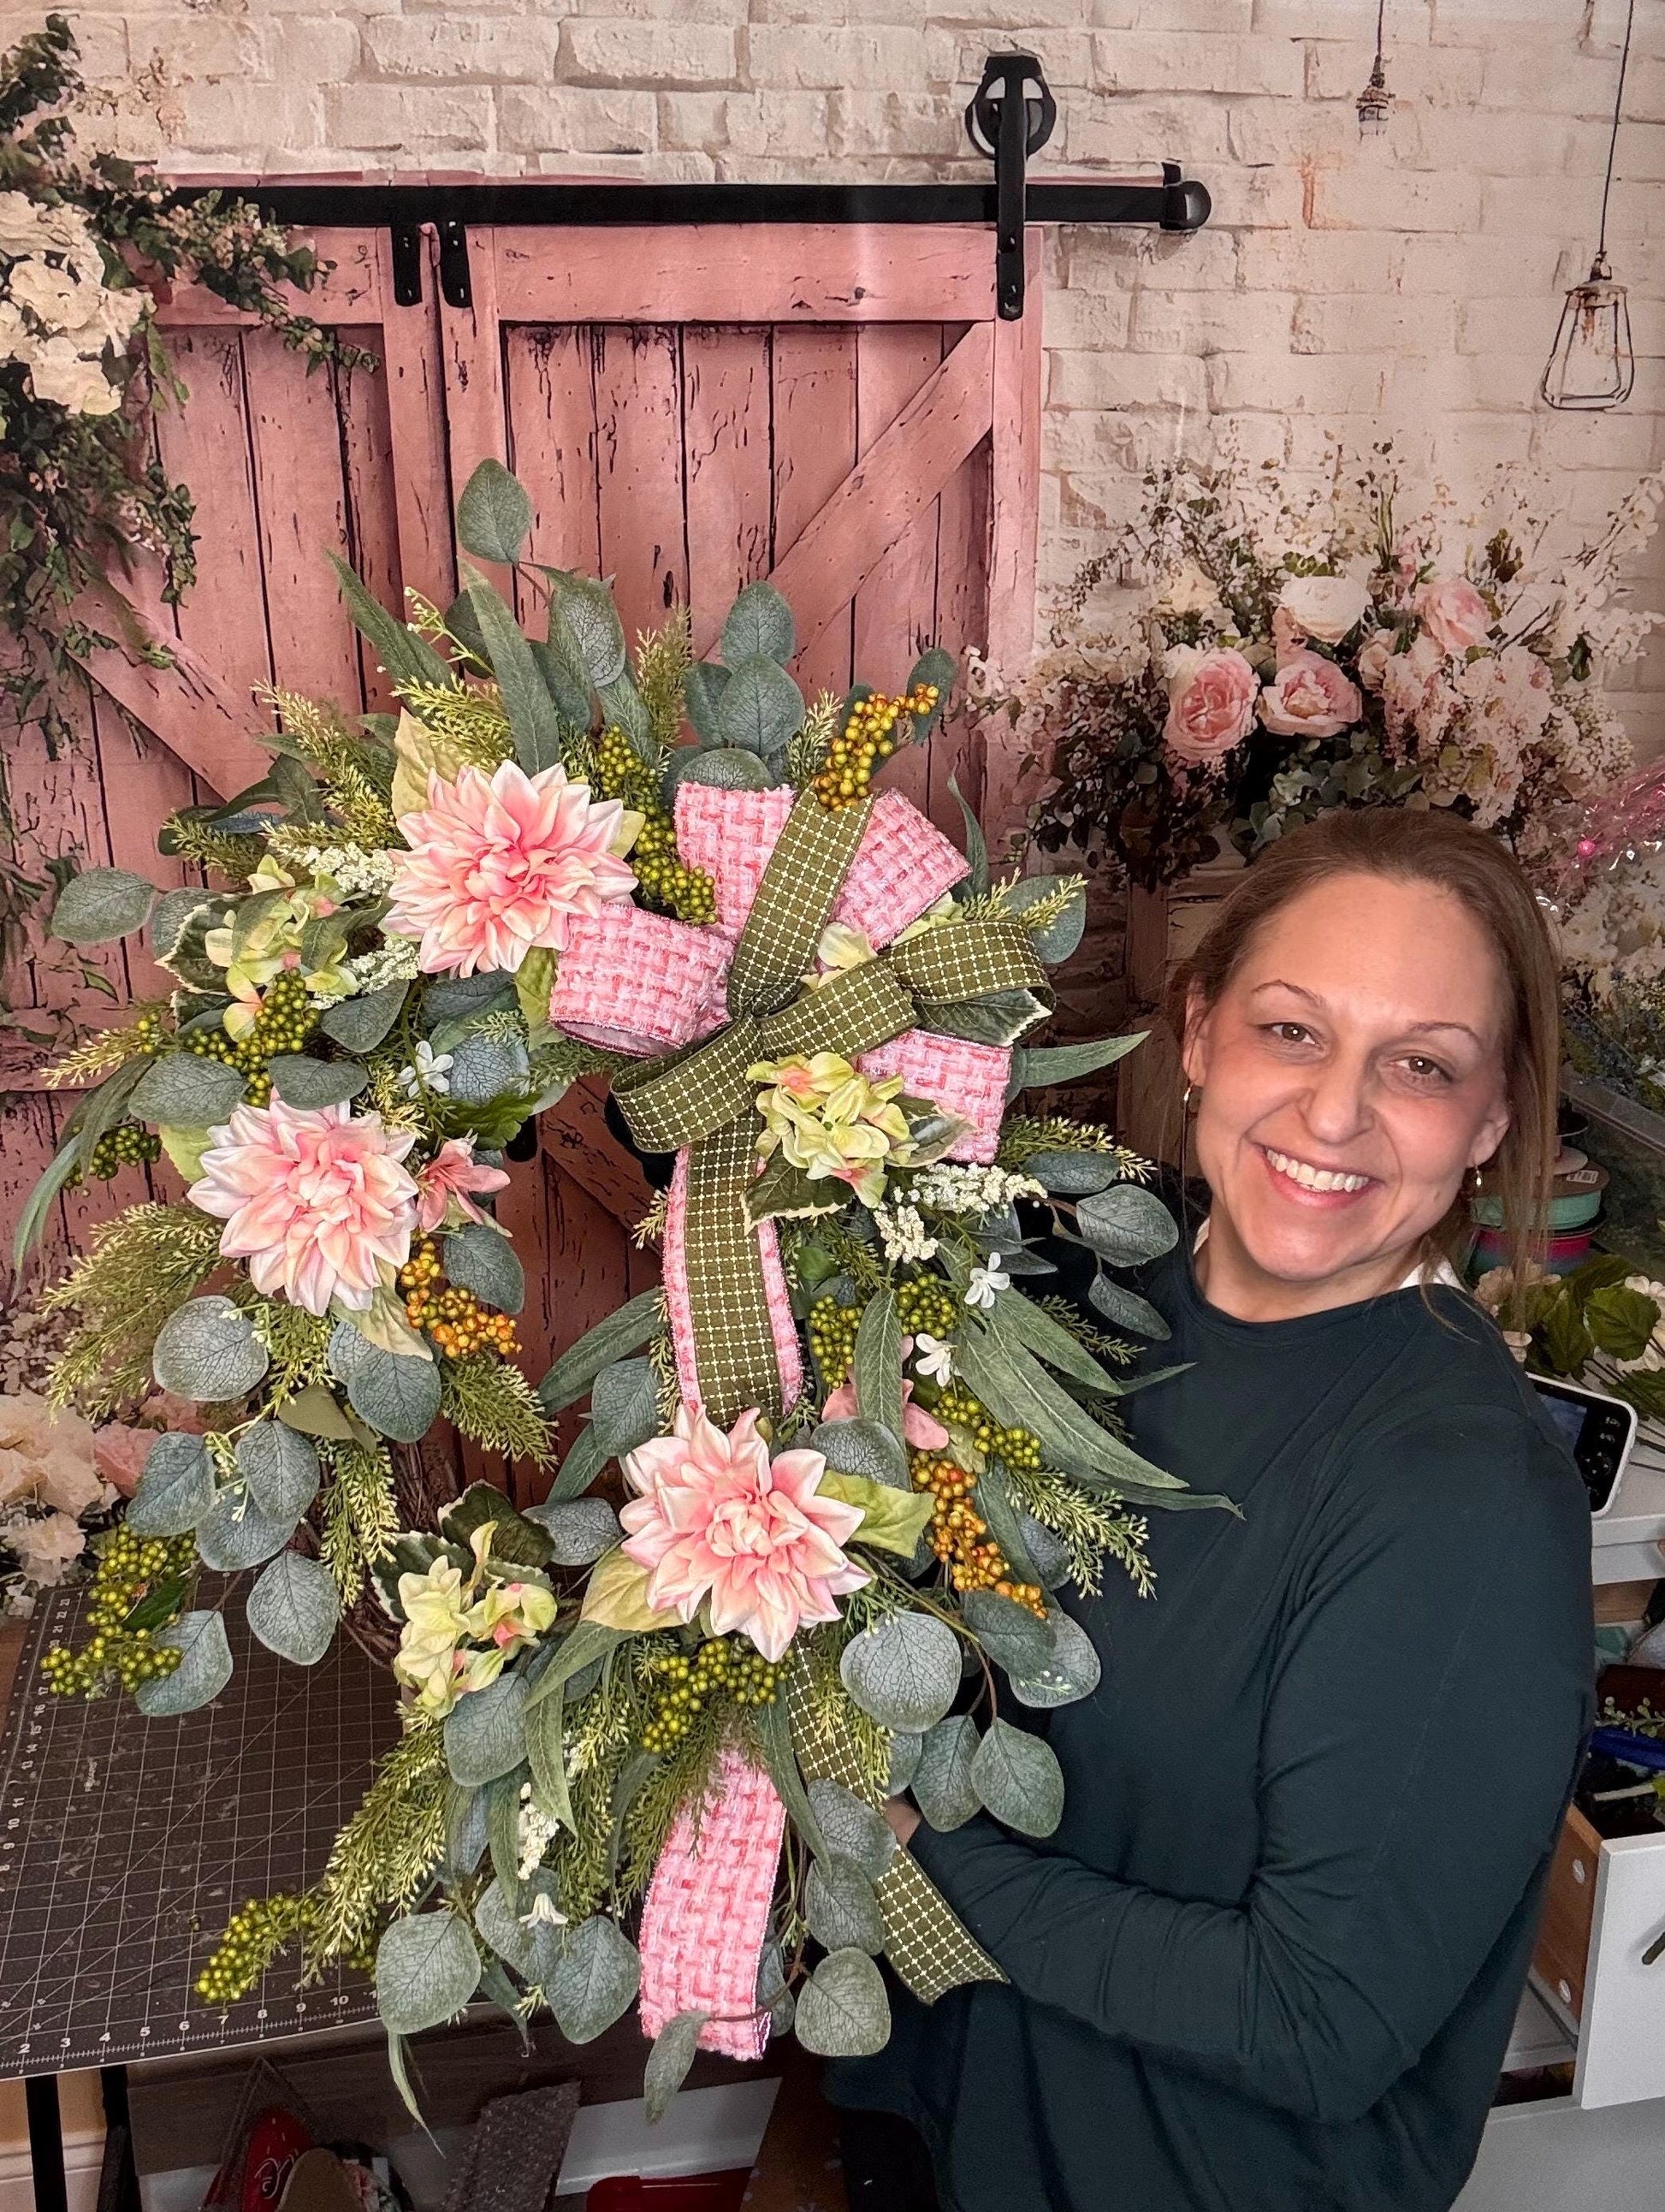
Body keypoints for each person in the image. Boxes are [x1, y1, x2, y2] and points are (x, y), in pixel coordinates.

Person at [830, 808, 1596, 2212]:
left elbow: (1318, 2019)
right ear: (1197, 1032)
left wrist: (902, 1843)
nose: (1332, 1112)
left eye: (1418, 1065)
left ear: (1488, 1120)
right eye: (1291, 1031)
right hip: (956, 2131)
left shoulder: (1459, 1502)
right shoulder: (1074, 1307)